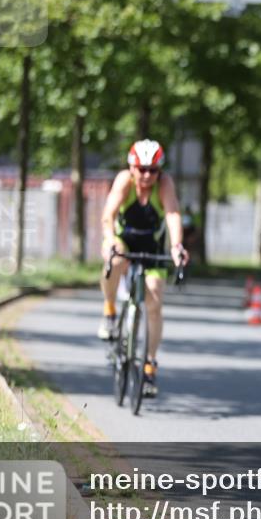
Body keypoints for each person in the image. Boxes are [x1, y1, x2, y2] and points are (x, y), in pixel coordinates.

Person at [98, 139, 189, 398]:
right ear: (132, 168)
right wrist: (110, 239)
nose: (147, 175)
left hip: (152, 245)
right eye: (142, 169)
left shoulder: (165, 184)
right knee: (114, 260)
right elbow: (108, 215)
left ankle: (149, 365)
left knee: (155, 300)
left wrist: (177, 246)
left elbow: (172, 214)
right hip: (123, 241)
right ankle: (109, 310)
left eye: (153, 170)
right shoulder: (124, 181)